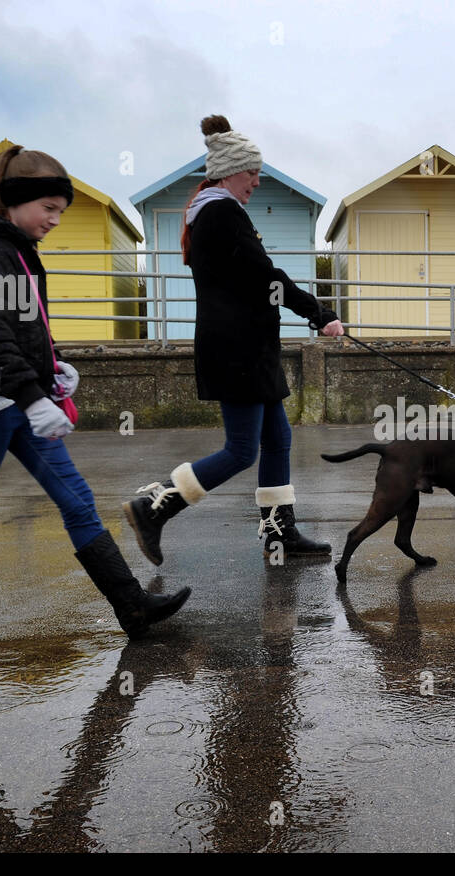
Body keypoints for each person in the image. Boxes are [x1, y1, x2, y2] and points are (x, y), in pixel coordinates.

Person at [0, 146, 191, 656]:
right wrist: (32, 396)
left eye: (60, 211)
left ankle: (132, 607)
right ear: (16, 199)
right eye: (48, 207)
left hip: (21, 399)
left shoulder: (12, 247)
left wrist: (53, 367)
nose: (54, 219)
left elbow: (24, 328)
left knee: (75, 500)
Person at [123, 115, 344, 566]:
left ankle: (280, 534)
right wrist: (319, 315)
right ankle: (154, 507)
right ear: (229, 172)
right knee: (242, 450)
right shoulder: (220, 213)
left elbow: (254, 280)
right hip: (237, 351)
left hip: (250, 350)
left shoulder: (218, 211)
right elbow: (267, 278)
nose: (258, 182)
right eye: (253, 173)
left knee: (277, 438)